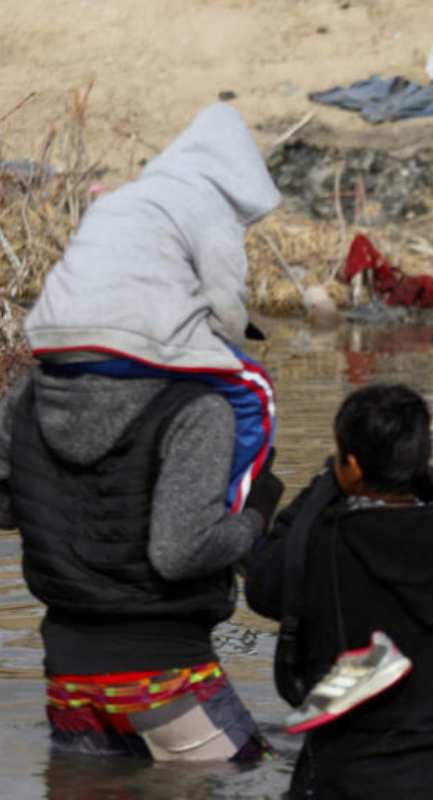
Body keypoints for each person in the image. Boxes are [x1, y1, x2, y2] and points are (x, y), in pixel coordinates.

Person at [0, 101, 287, 762]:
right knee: (251, 774)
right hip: (162, 676)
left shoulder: (27, 396)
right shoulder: (197, 412)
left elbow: (7, 504)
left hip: (66, 676)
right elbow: (178, 553)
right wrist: (254, 521)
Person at [245, 384, 433, 799]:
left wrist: (316, 494)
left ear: (351, 467)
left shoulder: (321, 549)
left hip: (346, 783)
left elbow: (261, 583)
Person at [22, 102, 281, 513]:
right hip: (124, 342)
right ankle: (227, 512)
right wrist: (225, 350)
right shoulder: (209, 207)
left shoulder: (124, 199)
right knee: (255, 391)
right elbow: (226, 306)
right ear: (240, 174)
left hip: (51, 336)